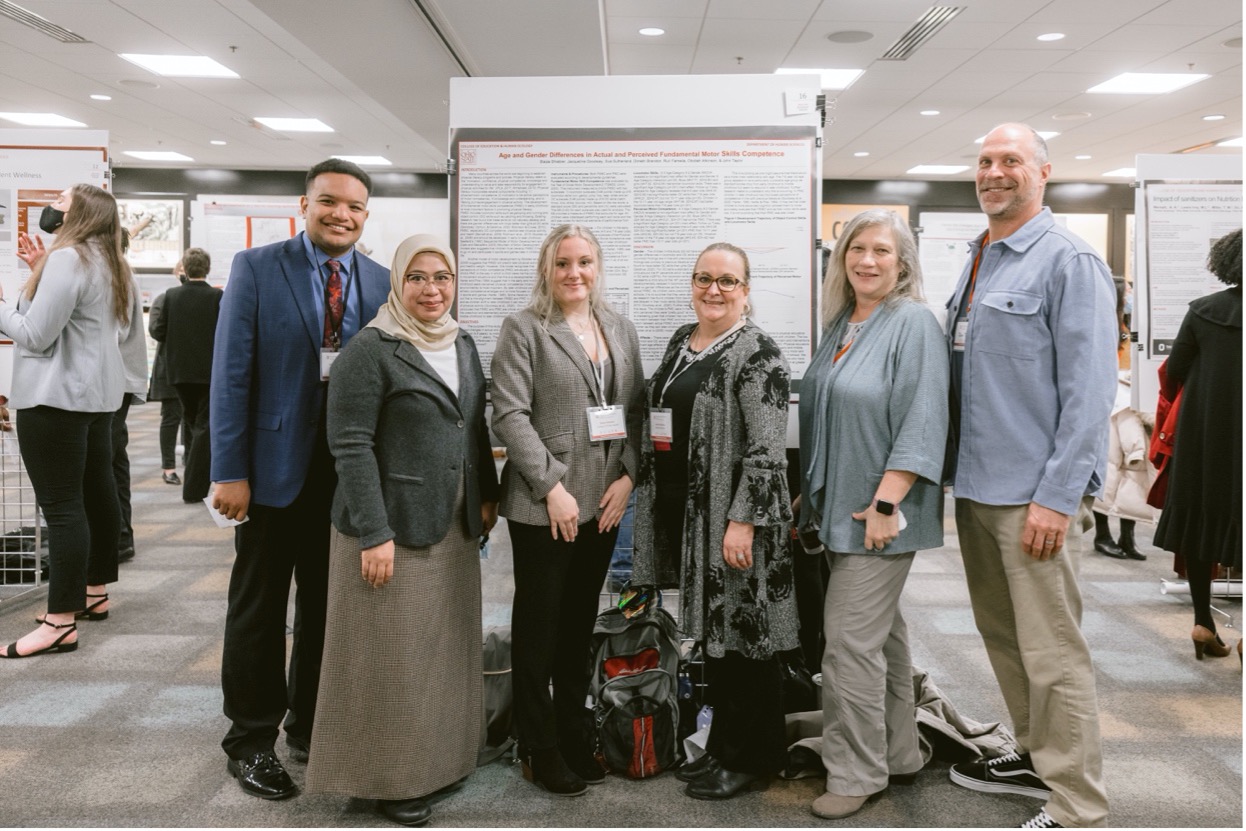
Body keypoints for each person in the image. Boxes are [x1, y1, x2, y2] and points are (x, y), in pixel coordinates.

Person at [944, 123, 1115, 829]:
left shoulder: (1068, 261)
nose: (995, 172)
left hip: (1033, 498)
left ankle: (1077, 805)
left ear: (1043, 171)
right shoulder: (982, 256)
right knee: (1006, 639)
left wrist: (1058, 495)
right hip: (979, 487)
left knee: (1053, 653)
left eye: (1010, 160)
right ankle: (1036, 754)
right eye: (985, 161)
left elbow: (1090, 393)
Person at [210, 159, 389, 799]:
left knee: (325, 607)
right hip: (268, 473)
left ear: (367, 215)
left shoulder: (381, 280)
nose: (342, 214)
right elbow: (230, 376)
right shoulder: (257, 268)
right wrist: (228, 471)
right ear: (305, 204)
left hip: (344, 478)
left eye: (355, 207)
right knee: (259, 606)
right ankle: (250, 738)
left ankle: (309, 722)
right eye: (330, 202)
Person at [307, 234, 498, 827]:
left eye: (441, 276)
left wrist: (487, 496)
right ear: (396, 281)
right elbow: (350, 445)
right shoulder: (371, 348)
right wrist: (373, 532)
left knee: (443, 650)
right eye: (417, 277)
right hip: (389, 528)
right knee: (390, 658)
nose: (431, 289)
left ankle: (441, 759)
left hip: (453, 525)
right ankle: (390, 781)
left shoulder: (462, 342)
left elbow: (472, 427)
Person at [632, 242, 798, 801]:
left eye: (728, 281)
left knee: (748, 639)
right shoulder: (684, 341)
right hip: (690, 513)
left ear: (746, 290)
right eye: (704, 278)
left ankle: (754, 757)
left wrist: (743, 522)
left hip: (735, 519)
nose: (714, 290)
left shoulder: (760, 355)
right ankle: (725, 746)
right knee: (718, 641)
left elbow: (768, 453)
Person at [797, 210, 948, 819]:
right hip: (838, 510)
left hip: (880, 513)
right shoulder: (844, 323)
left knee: (847, 646)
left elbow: (923, 416)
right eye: (856, 249)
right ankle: (899, 752)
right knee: (881, 639)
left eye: (881, 251)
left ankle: (856, 771)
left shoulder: (912, 323)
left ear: (902, 261)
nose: (867, 260)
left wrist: (888, 500)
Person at [491, 224, 644, 796]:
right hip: (545, 506)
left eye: (584, 262)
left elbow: (636, 408)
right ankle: (539, 744)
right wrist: (552, 486)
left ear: (597, 267)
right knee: (540, 627)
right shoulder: (526, 329)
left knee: (580, 625)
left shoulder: (620, 328)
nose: (574, 273)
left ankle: (575, 731)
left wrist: (629, 475)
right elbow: (508, 414)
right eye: (562, 264)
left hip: (603, 503)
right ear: (547, 270)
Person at [0, 184, 145, 657]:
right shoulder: (112, 261)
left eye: (59, 202)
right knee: (95, 495)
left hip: (54, 400)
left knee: (62, 508)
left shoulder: (71, 259)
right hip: (96, 400)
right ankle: (93, 593)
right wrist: (39, 274)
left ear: (75, 214)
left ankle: (60, 620)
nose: (51, 207)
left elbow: (36, 336)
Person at [1152, 228, 1242, 661]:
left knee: (1202, 525)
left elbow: (1174, 373)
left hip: (1204, 435)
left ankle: (1204, 622)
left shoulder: (1203, 310)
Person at [152, 247, 221, 503]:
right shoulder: (217, 297)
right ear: (208, 268)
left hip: (178, 372)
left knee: (193, 424)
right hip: (207, 372)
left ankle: (194, 481)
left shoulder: (171, 296)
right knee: (203, 425)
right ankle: (194, 487)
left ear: (185, 268)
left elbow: (159, 331)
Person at [148, 260, 189, 486]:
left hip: (187, 368)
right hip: (170, 368)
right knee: (172, 419)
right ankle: (169, 467)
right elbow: (156, 330)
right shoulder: (164, 299)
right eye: (180, 270)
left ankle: (188, 464)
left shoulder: (204, 298)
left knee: (191, 421)